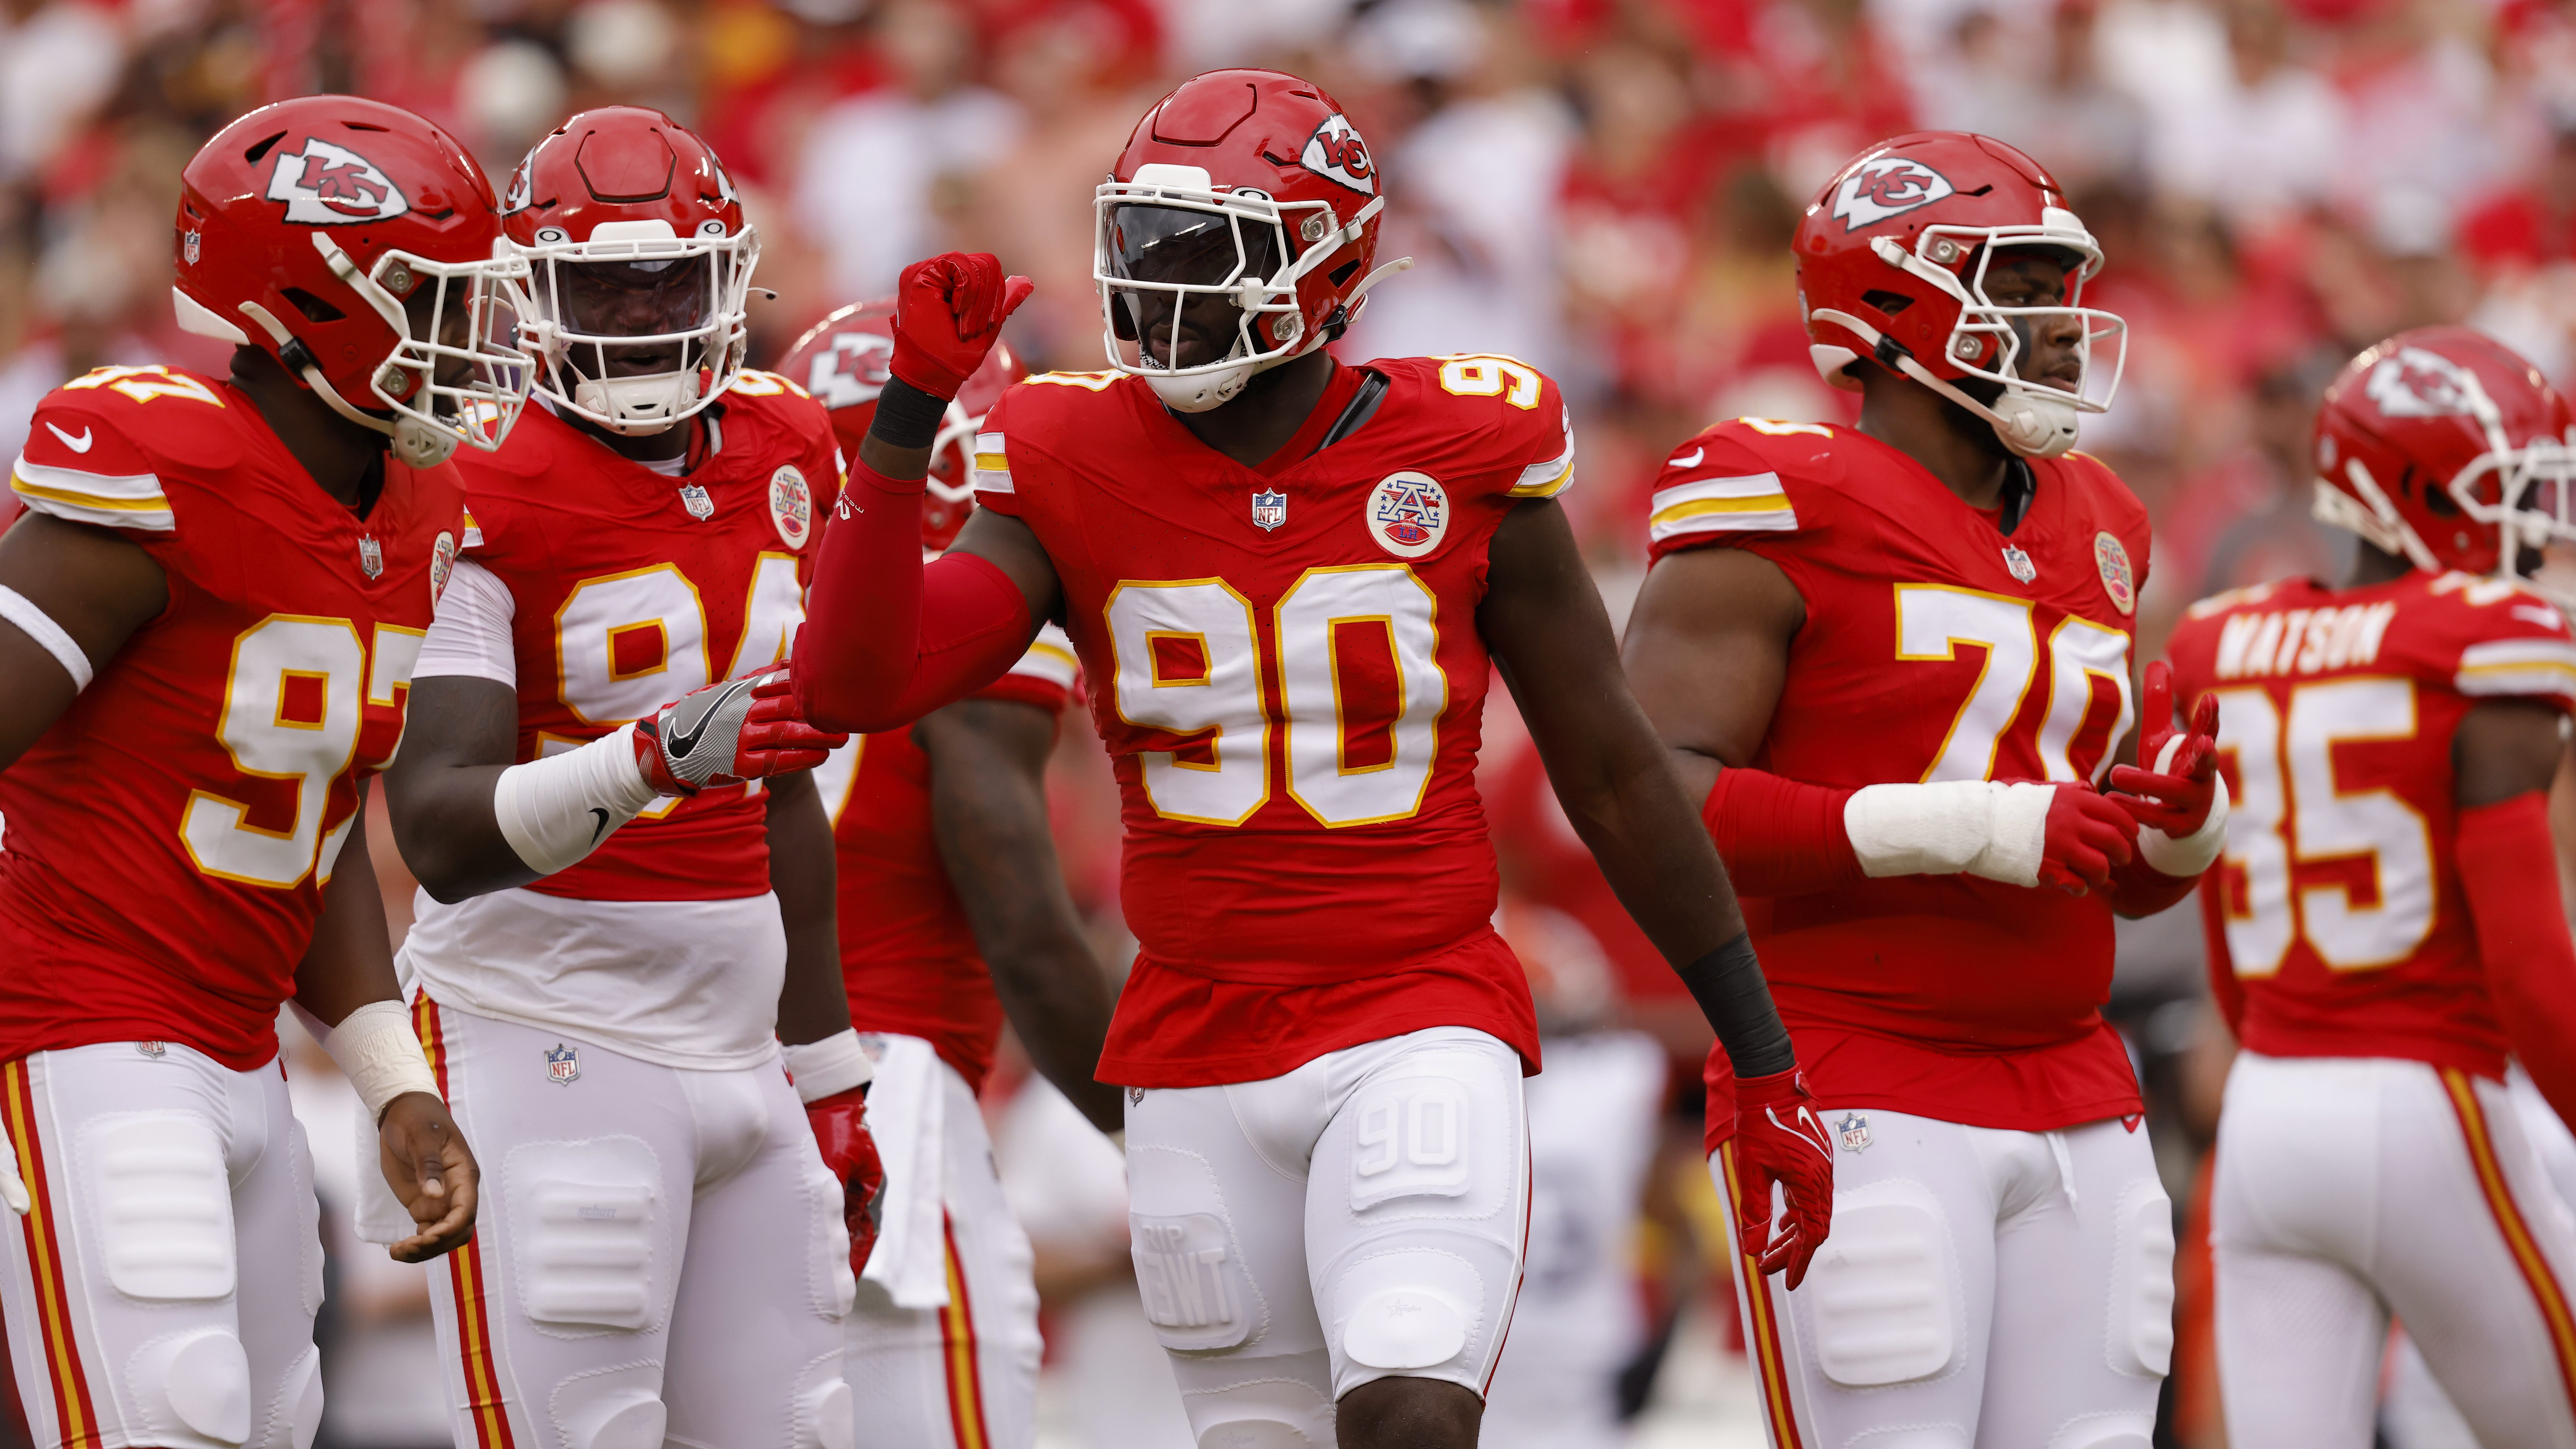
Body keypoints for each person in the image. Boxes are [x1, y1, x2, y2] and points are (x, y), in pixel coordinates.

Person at [789, 68, 1835, 1449]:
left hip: (1415, 1011)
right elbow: (856, 682)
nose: (1154, 287)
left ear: (1324, 263)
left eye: (1198, 252)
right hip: (1190, 1040)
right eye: (1139, 245)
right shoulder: (1064, 447)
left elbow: (1617, 773)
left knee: (1409, 1411)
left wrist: (1758, 1056)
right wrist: (912, 413)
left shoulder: (1463, 443)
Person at [1621, 131, 2228, 1447]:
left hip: (2077, 1077)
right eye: (2019, 285)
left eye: (2061, 287)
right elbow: (1647, 800)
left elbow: (2115, 874)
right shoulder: (1781, 495)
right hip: (1853, 1069)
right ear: (1894, 301)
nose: (2062, 324)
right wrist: (1980, 825)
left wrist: (2181, 827)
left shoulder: (2102, 520)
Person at [0, 94, 513, 1449]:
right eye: (433, 297)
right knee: (173, 1417)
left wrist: (393, 1077)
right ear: (303, 300)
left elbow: (312, 815)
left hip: (244, 1054)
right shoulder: (161, 466)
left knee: (275, 1422)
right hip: (80, 1031)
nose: (471, 336)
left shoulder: (413, 513)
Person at [377, 106, 861, 1449]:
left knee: (798, 1429)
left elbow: (783, 792)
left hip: (745, 1039)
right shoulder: (463, 475)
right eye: (603, 281)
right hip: (544, 1024)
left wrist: (828, 1070)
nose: (643, 311)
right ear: (531, 294)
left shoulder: (786, 443)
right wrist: (651, 761)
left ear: (730, 277)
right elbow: (441, 832)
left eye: (671, 276)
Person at [2163, 325, 2576, 1448]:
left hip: (2269, 1109)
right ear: (2416, 489)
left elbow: (2218, 918)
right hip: (2426, 1099)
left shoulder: (2221, 642)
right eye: (2511, 490)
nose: (2534, 523)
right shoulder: (2488, 639)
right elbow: (2531, 966)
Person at [778, 299, 1119, 1449]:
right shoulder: (965, 627)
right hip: (891, 1095)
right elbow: (1023, 927)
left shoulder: (737, 607)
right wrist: (1158, 1137)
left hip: (735, 1087)